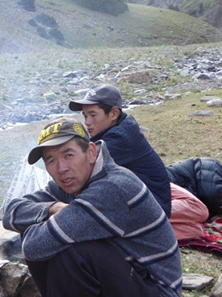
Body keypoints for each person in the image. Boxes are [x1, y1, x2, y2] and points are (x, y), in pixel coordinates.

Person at [3, 119, 183, 297]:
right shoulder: (73, 182)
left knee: (70, 250)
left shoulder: (112, 187)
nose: (61, 168)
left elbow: (33, 246)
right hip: (129, 282)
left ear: (90, 152)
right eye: (50, 160)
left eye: (68, 154)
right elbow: (11, 212)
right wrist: (52, 208)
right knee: (59, 239)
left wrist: (40, 227)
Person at [69, 84, 172, 217]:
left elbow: (83, 169)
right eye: (85, 116)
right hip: (142, 200)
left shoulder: (120, 138)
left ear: (114, 113)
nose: (87, 122)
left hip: (153, 209)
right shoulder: (117, 127)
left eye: (93, 115)